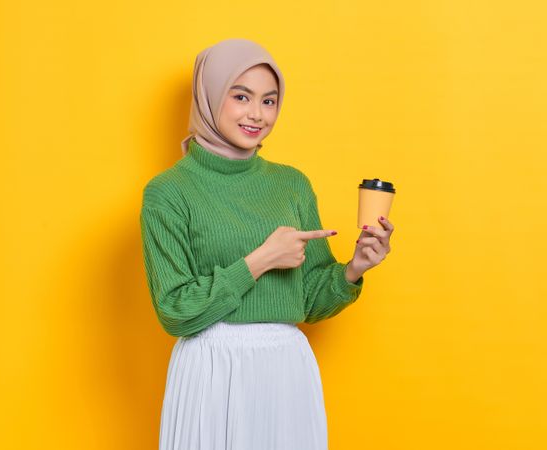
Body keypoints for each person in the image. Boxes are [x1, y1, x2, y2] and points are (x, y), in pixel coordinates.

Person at [140, 38, 394, 450]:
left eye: (269, 101)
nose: (257, 115)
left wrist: (354, 268)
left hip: (285, 368)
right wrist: (258, 261)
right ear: (209, 95)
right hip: (211, 369)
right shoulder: (169, 193)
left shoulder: (291, 184)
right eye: (241, 97)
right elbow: (175, 311)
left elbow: (309, 301)